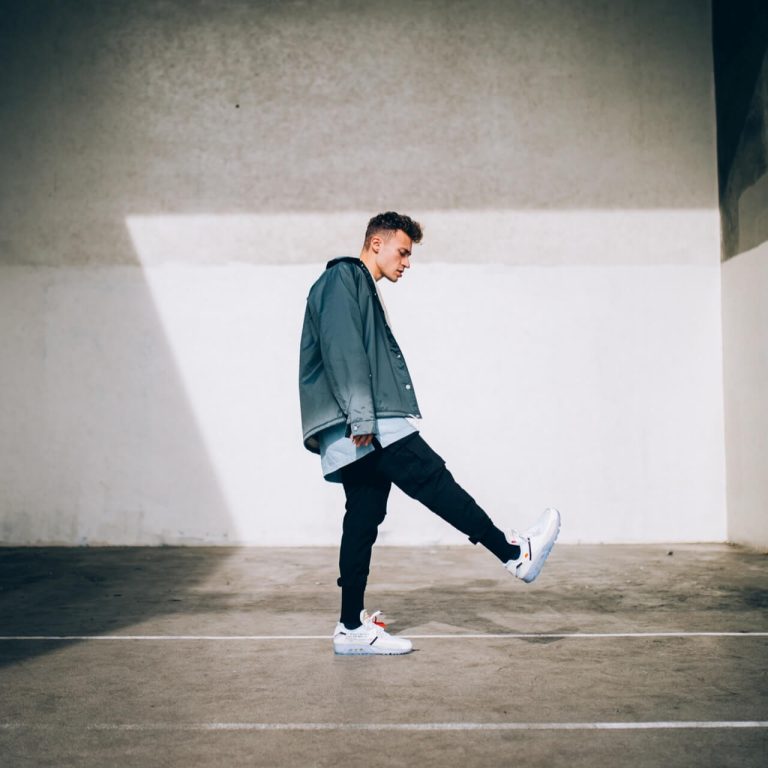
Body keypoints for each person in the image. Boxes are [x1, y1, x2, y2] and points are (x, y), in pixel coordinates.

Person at [298, 211, 560, 656]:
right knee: (434, 480)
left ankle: (350, 627)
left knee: (362, 519)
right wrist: (361, 418)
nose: (406, 263)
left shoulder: (353, 285)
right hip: (368, 421)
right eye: (402, 252)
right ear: (376, 243)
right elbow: (343, 348)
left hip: (353, 424)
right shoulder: (344, 278)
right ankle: (515, 554)